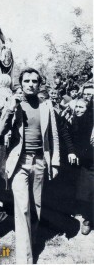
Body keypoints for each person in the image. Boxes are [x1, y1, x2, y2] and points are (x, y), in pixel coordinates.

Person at [0, 68, 60, 264]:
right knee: (22, 208)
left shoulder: (46, 106)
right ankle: (25, 258)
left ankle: (31, 244)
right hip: (19, 163)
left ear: (40, 84)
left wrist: (55, 162)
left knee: (36, 208)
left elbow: (53, 136)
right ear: (20, 84)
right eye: (26, 81)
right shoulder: (14, 105)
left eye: (34, 81)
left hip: (40, 161)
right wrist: (9, 109)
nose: (30, 84)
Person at [67, 98, 94, 235]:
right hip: (78, 160)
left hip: (90, 161)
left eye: (81, 107)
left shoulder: (90, 122)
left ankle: (88, 220)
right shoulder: (74, 120)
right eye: (76, 107)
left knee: (88, 190)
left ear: (88, 109)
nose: (78, 109)